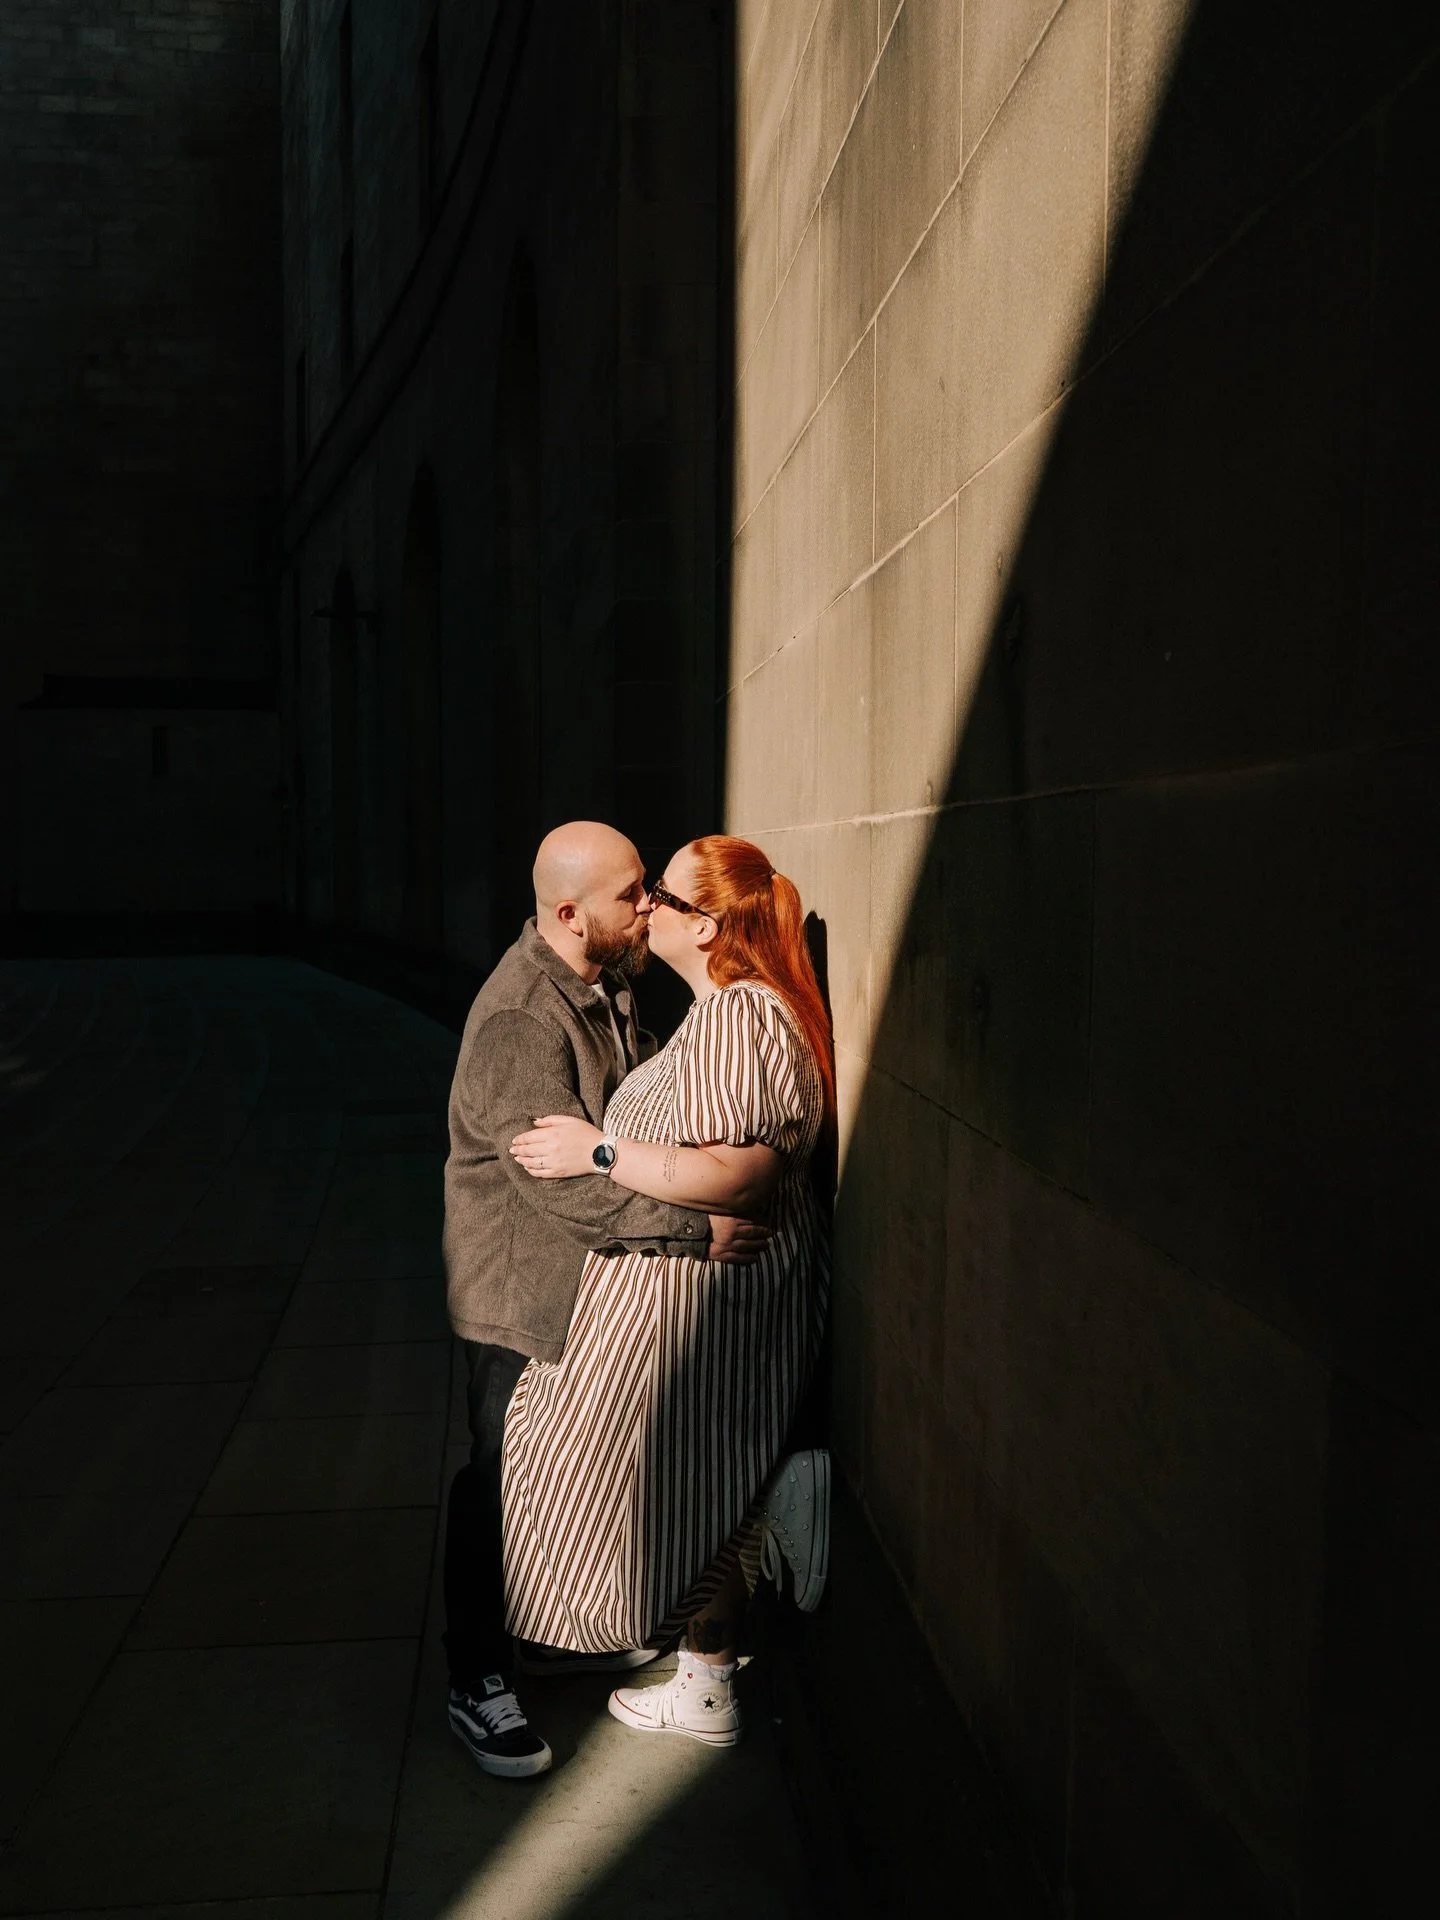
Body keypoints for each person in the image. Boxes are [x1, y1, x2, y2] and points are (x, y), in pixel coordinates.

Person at [442, 822, 773, 1779]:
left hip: (585, 1271)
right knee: (498, 1479)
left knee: (565, 1467)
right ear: (567, 912)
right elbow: (560, 1186)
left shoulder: (608, 975)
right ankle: (477, 1679)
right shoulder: (520, 1019)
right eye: (634, 894)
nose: (650, 908)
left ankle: (550, 1632)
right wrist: (695, 1230)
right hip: (520, 1288)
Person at [505, 834, 833, 1748]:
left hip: (713, 1308)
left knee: (641, 1476)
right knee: (688, 1483)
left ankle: (772, 1505)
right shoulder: (714, 1012)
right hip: (703, 1308)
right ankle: (705, 1678)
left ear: (712, 926)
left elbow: (742, 1174)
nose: (645, 906)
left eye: (664, 897)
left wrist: (596, 1150)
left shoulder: (738, 1017)